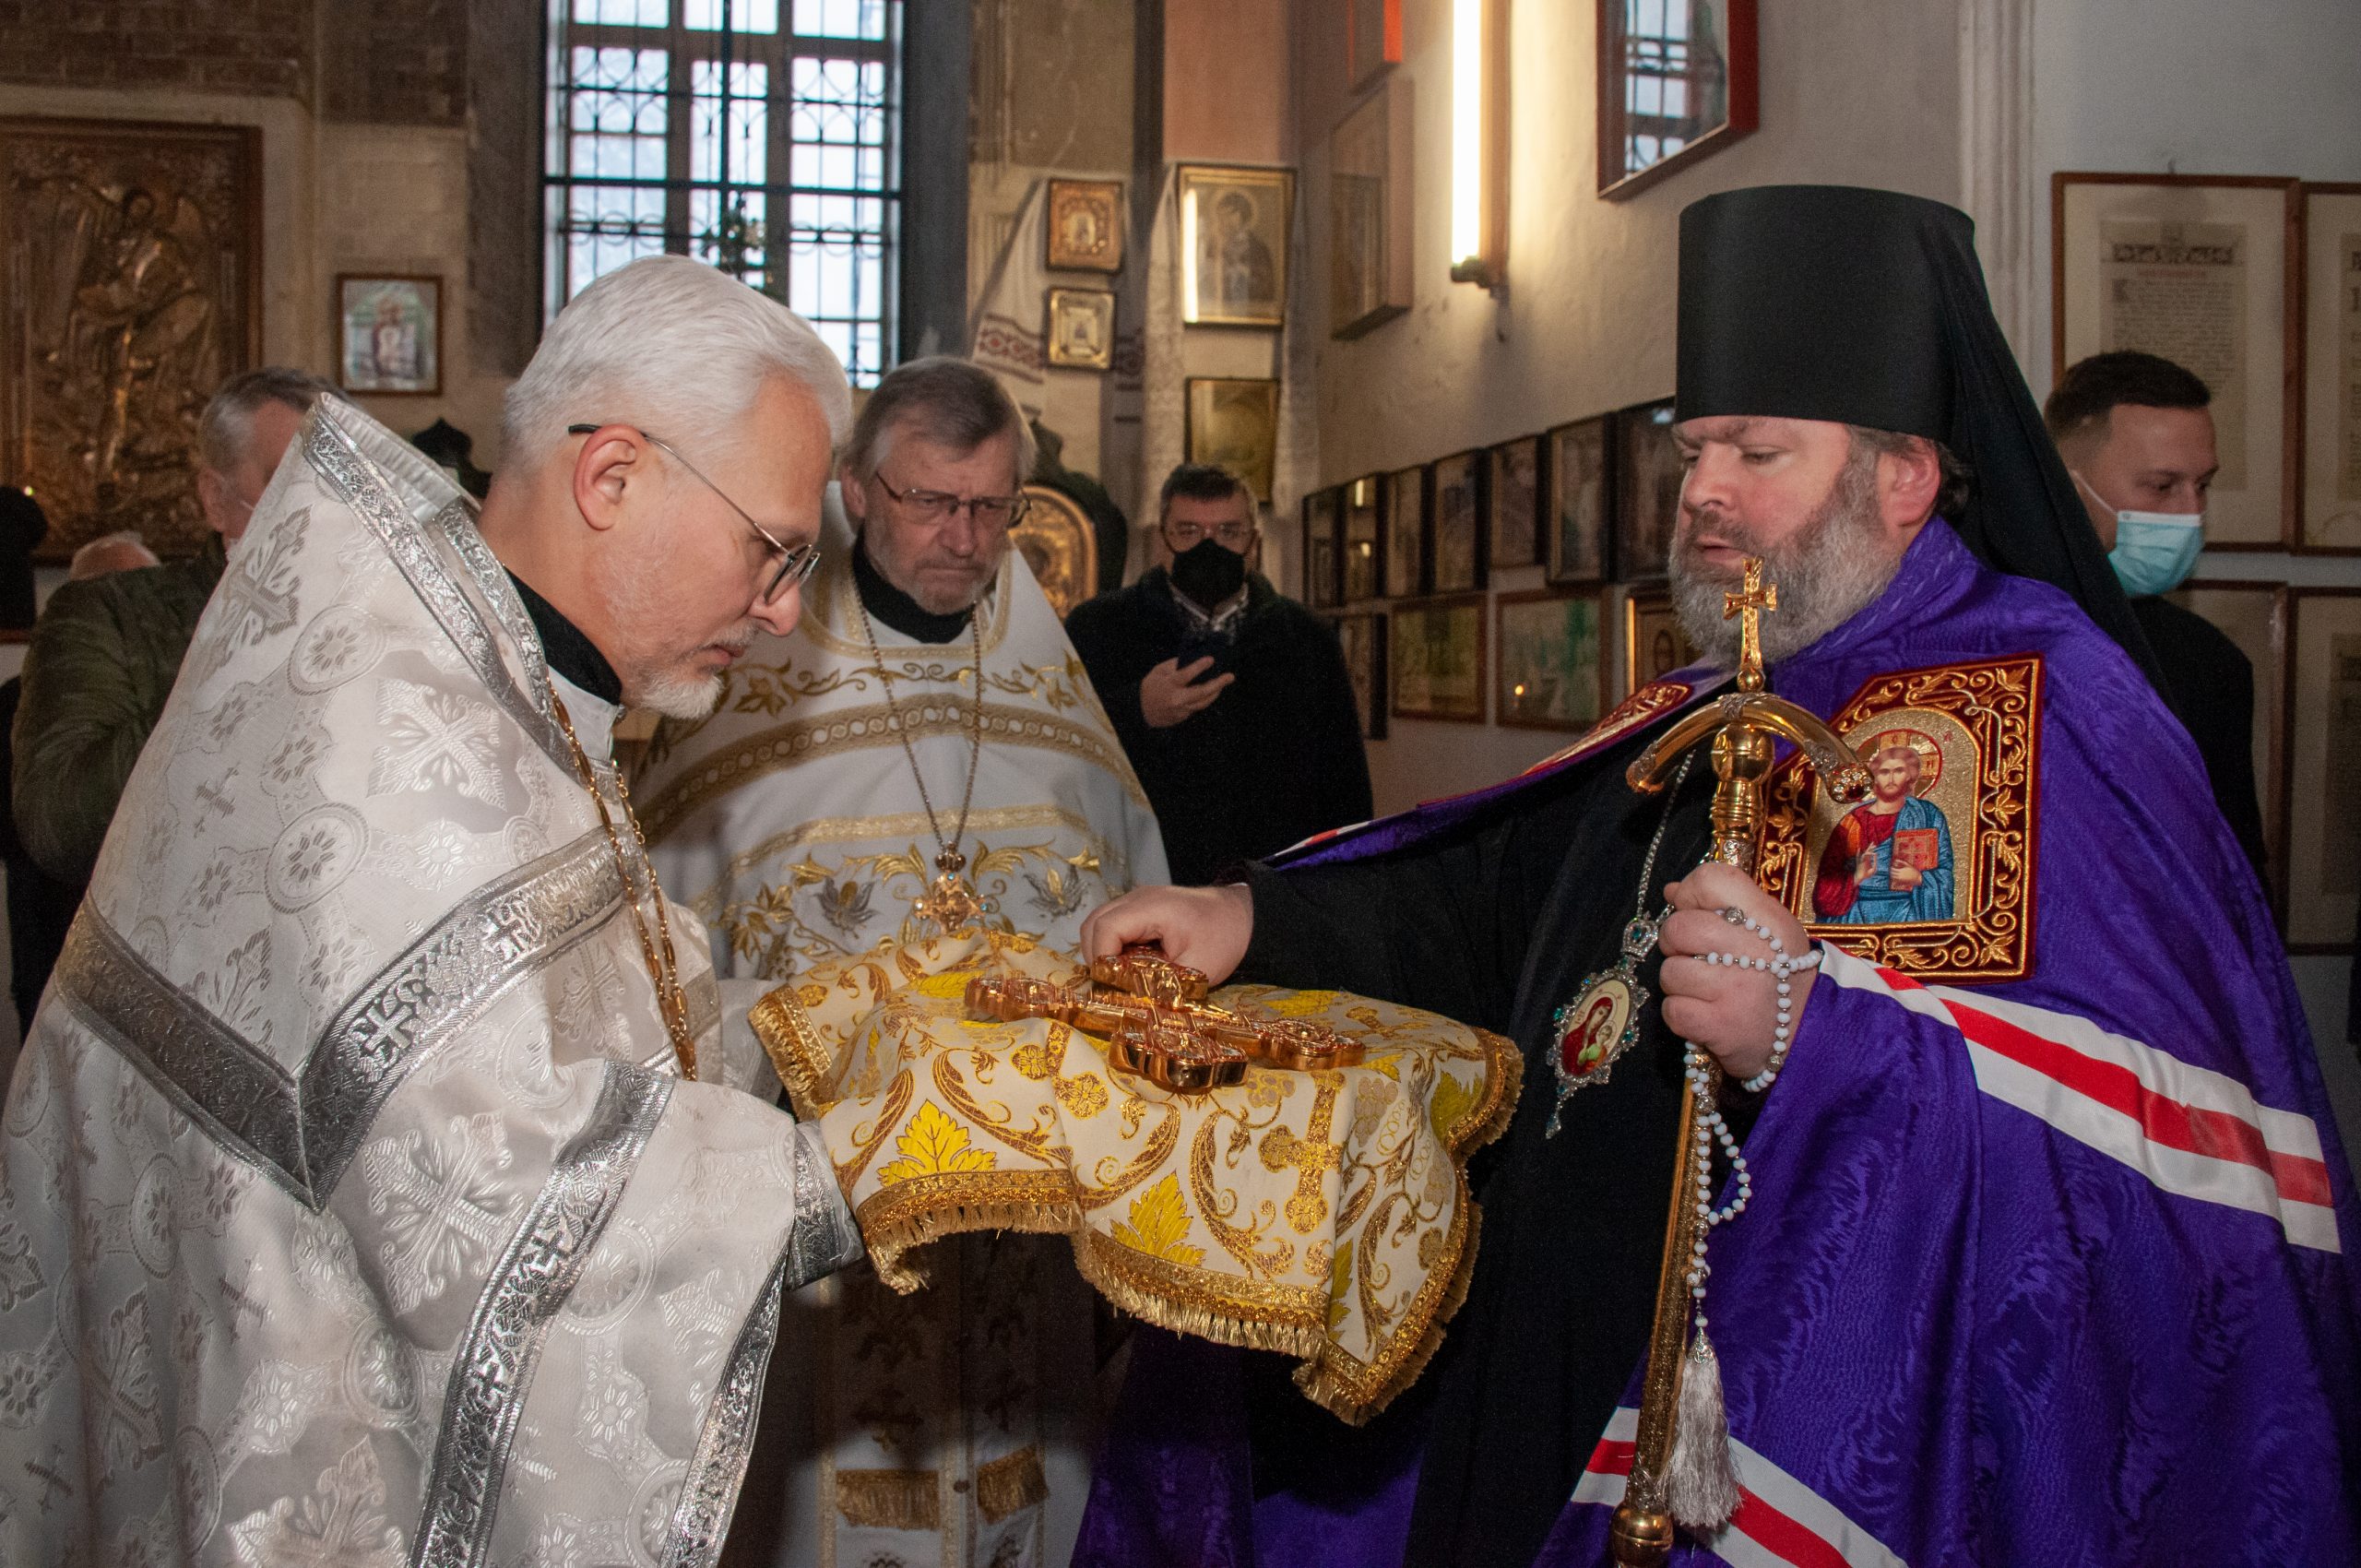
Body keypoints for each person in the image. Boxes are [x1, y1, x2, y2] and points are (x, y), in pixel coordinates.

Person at [1072, 187, 2361, 1568]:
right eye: (1693, 451)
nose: (1703, 494)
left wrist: (1820, 1029)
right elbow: (1499, 894)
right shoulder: (1712, 691)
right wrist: (1248, 911)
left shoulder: (2041, 707)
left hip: (1811, 1416)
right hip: (1550, 1362)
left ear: (1904, 475)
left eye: (1758, 451)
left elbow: (2166, 1164)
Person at [0, 255, 868, 1563]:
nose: (786, 608)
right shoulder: (399, 744)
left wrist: (834, 1020)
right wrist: (898, 1162)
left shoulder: (481, 670)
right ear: (613, 476)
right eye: (777, 548)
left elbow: (586, 1019)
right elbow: (506, 1215)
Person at [634, 356, 1167, 1568]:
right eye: (930, 502)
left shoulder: (1057, 703)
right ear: (859, 493)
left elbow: (1137, 909)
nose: (963, 538)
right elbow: (659, 953)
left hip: (1022, 1220)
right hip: (832, 1201)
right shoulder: (747, 700)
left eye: (991, 508)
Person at [10, 366, 330, 887]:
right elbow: (59, 827)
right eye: (289, 479)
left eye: (338, 484)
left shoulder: (395, 624)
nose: (320, 508)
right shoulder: (111, 613)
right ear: (216, 498)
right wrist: (243, 654)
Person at [1066, 462, 1372, 885]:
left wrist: (1343, 886)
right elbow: (1061, 750)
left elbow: (1344, 781)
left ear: (1254, 544)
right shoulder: (1098, 629)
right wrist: (1138, 710)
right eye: (1188, 532)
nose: (1208, 548)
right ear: (1161, 542)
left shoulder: (1306, 637)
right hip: (1139, 881)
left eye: (1228, 533)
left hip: (1273, 888)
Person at [2047, 349, 2267, 873]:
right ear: (2065, 482)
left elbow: (2233, 871)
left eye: (2203, 485)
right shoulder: (1984, 634)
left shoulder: (2209, 662)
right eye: (2162, 487)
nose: (2191, 514)